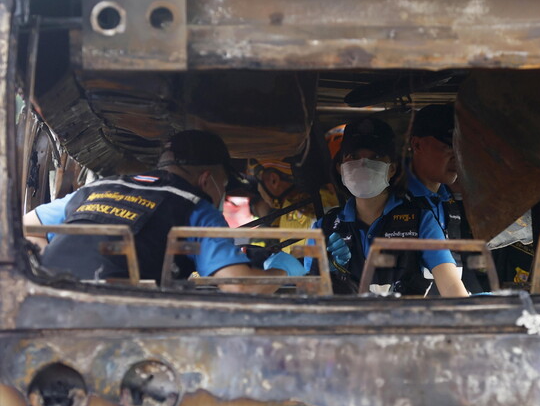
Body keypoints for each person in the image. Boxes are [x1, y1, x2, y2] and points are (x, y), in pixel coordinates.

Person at [23, 130, 305, 291]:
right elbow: (239, 287)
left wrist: (50, 273)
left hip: (46, 307)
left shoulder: (98, 188)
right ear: (207, 180)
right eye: (225, 185)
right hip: (115, 322)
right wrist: (284, 272)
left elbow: (27, 226)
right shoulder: (197, 209)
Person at [305, 117, 468, 298]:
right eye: (354, 157)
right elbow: (311, 294)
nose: (363, 164)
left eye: (375, 157)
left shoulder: (421, 220)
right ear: (340, 168)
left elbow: (451, 284)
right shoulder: (323, 228)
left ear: (392, 169)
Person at [408, 104, 489, 292]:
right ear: (417, 144)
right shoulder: (394, 200)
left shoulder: (447, 200)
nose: (457, 157)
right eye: (449, 146)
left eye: (461, 148)